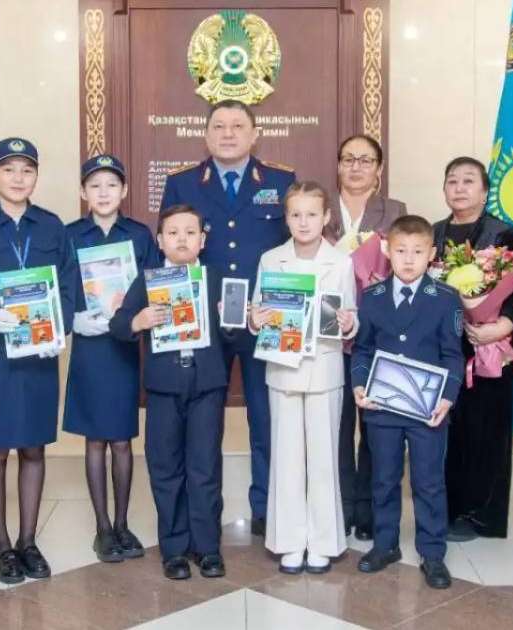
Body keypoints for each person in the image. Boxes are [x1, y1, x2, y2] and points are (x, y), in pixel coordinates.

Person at [161, 100, 296, 535]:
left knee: (265, 415)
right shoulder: (182, 183)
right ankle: (204, 513)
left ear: (255, 133)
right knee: (204, 423)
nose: (229, 133)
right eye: (219, 126)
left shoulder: (279, 180)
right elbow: (169, 252)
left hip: (263, 317)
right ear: (206, 135)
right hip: (205, 321)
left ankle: (267, 508)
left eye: (238, 126)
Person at [0, 138, 77, 584]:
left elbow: (68, 286)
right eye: (9, 170)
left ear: (36, 176)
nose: (18, 178)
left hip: (38, 353)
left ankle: (28, 541)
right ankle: (2, 545)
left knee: (34, 447)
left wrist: (57, 328)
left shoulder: (51, 226)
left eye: (27, 170)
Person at [110, 204, 228, 581]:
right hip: (163, 388)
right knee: (166, 469)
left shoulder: (215, 279)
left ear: (202, 240)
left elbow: (237, 335)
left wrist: (233, 318)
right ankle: (174, 549)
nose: (182, 239)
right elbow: (117, 325)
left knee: (205, 468)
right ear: (159, 240)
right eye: (173, 232)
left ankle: (207, 548)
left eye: (190, 232)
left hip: (207, 386)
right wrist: (137, 320)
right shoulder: (148, 281)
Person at [350, 215, 464, 590]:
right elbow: (363, 349)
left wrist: (447, 397)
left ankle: (432, 553)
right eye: (401, 251)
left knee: (429, 482)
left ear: (432, 253)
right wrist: (359, 385)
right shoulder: (374, 297)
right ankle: (385, 545)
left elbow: (453, 355)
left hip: (427, 411)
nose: (409, 260)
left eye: (418, 252)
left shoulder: (445, 299)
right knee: (383, 478)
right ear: (387, 251)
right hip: (382, 408)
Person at [253, 181, 358, 574]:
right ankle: (289, 540)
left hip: (325, 369)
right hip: (282, 369)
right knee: (287, 458)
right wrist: (255, 319)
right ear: (286, 218)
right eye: (295, 214)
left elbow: (350, 316)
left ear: (326, 217)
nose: (303, 221)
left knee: (323, 457)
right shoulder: (270, 259)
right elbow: (261, 312)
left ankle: (323, 541)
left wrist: (349, 323)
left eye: (312, 214)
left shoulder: (342, 262)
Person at [64, 154, 154, 563]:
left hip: (122, 347)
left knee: (122, 439)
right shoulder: (69, 236)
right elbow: (58, 291)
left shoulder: (138, 235)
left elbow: (154, 286)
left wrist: (134, 320)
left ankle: (122, 524)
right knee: (95, 439)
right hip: (88, 348)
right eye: (95, 186)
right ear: (84, 192)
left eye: (111, 185)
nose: (103, 193)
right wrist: (72, 320)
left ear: (124, 191)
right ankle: (102, 527)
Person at [432, 156, 513, 541]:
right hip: (445, 348)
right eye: (452, 180)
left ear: (485, 191)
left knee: (488, 431)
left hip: (491, 346)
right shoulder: (433, 233)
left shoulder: (507, 236)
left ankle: (485, 515)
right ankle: (451, 509)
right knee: (449, 432)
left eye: (468, 181)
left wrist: (504, 325)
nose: (459, 188)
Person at [327, 134, 406, 541]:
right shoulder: (321, 212)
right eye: (348, 159)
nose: (356, 166)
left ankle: (371, 508)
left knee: (376, 424)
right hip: (329, 333)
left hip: (378, 335)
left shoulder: (394, 212)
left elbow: (407, 266)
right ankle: (342, 505)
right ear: (338, 165)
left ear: (379, 168)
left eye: (366, 159)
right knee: (338, 427)